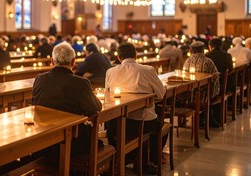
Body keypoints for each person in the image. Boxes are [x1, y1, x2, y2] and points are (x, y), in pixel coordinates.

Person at [32, 42, 102, 155]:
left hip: (42, 141)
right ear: (74, 62)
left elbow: (35, 104)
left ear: (52, 61)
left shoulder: (39, 79)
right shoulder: (81, 82)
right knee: (99, 143)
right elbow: (95, 109)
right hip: (72, 141)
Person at [105, 42, 166, 171]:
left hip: (116, 124)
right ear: (136, 55)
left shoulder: (110, 71)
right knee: (161, 124)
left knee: (112, 129)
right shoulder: (147, 70)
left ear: (119, 57)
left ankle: (125, 158)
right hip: (142, 123)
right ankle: (149, 160)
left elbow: (107, 96)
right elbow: (161, 94)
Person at [206, 38, 234, 127]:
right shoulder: (227, 55)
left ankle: (207, 117)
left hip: (210, 86)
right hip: (225, 85)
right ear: (221, 46)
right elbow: (230, 69)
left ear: (210, 46)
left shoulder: (207, 56)